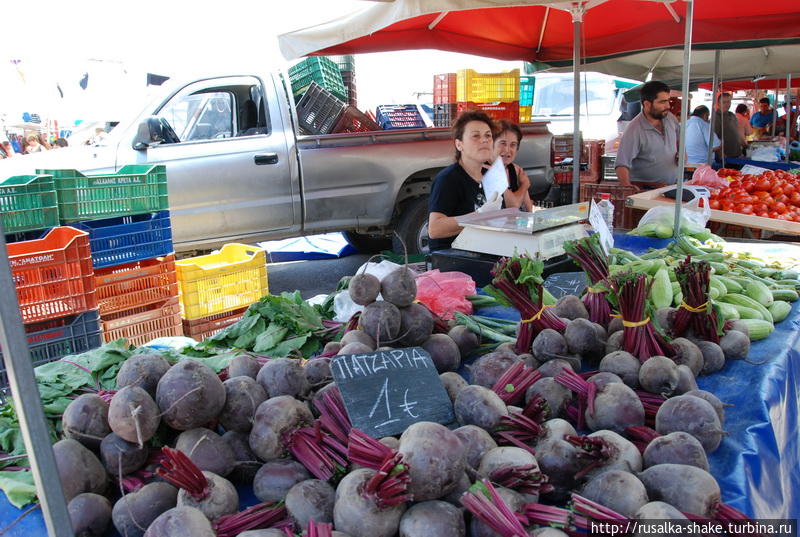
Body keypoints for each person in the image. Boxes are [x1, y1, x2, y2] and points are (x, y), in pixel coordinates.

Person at [428, 110, 498, 252]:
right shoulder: (448, 179)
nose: (484, 140)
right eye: (475, 136)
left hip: (485, 251)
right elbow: (434, 229)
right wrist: (479, 216)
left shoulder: (491, 176)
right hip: (453, 258)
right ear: (459, 145)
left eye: (488, 136)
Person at [614, 80, 680, 191]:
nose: (668, 106)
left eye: (668, 101)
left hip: (671, 187)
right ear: (647, 104)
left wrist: (681, 153)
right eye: (662, 102)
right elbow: (621, 163)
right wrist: (626, 186)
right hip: (646, 191)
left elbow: (679, 140)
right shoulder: (634, 129)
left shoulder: (670, 118)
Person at [493, 120, 533, 212]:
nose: (507, 150)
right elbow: (512, 205)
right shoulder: (486, 170)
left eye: (513, 145)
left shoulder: (516, 169)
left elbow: (528, 208)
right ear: (491, 144)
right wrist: (525, 185)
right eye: (503, 143)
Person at [713, 93, 745, 159]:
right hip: (725, 156)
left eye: (728, 102)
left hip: (737, 154)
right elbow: (715, 138)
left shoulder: (732, 115)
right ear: (718, 104)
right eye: (724, 102)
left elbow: (737, 132)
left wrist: (743, 147)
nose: (726, 104)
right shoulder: (716, 117)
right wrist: (720, 153)